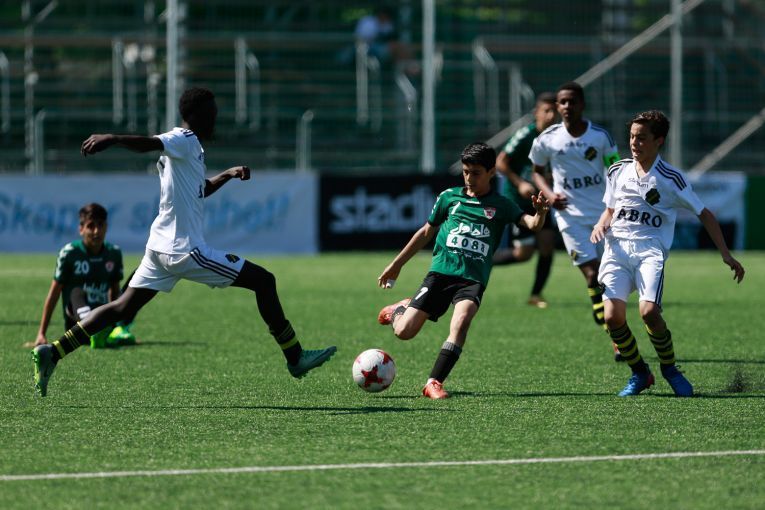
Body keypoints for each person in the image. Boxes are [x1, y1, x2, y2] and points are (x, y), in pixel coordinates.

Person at [31, 87, 336, 397]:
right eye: (212, 114)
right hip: (184, 251)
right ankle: (295, 357)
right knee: (264, 281)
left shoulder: (189, 150)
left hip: (159, 248)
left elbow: (199, 189)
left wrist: (227, 174)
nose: (215, 119)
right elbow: (151, 143)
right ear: (197, 115)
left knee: (121, 308)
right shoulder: (183, 139)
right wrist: (113, 138)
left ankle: (53, 352)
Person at [376, 142, 549, 399]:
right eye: (466, 172)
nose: (469, 178)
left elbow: (532, 224)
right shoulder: (449, 197)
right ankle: (399, 310)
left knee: (461, 322)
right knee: (404, 332)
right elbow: (426, 232)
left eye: (476, 173)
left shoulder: (501, 205)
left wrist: (540, 213)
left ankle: (433, 382)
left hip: (472, 279)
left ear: (491, 172)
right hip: (441, 274)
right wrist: (396, 265)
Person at [590, 110, 744, 397]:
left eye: (642, 138)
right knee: (612, 317)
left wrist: (726, 254)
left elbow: (704, 213)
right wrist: (601, 224)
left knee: (649, 312)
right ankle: (640, 373)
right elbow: (610, 208)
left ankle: (670, 368)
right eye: (632, 137)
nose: (634, 143)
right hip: (616, 249)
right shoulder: (617, 170)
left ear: (659, 141)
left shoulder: (671, 178)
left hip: (650, 251)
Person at [529, 81, 622, 360]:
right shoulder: (547, 138)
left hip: (602, 215)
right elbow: (536, 171)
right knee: (593, 274)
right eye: (563, 102)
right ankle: (617, 340)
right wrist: (549, 195)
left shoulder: (601, 137)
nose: (567, 106)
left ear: (582, 104)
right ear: (558, 107)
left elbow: (615, 169)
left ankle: (603, 312)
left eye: (572, 101)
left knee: (608, 276)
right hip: (569, 216)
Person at [28, 203, 137, 349]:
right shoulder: (69, 253)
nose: (96, 231)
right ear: (81, 229)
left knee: (138, 278)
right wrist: (41, 333)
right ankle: (94, 330)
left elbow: (115, 292)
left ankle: (116, 330)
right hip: (77, 324)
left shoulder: (114, 253)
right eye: (91, 226)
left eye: (100, 225)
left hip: (104, 318)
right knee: (76, 292)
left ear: (106, 227)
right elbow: (54, 294)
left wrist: (116, 321)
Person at [493, 92, 559, 308]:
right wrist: (520, 183)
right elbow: (501, 162)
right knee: (524, 254)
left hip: (540, 201)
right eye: (546, 111)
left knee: (547, 244)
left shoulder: (558, 137)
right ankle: (484, 260)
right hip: (519, 201)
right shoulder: (526, 135)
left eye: (554, 111)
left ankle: (536, 295)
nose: (551, 115)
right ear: (536, 113)